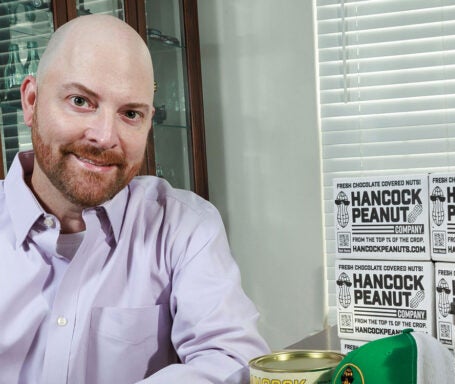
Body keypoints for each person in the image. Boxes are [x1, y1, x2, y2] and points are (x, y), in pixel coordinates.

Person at [0, 14, 269, 383]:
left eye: (130, 113)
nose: (105, 136)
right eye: (81, 100)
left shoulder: (184, 227)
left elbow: (233, 360)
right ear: (31, 101)